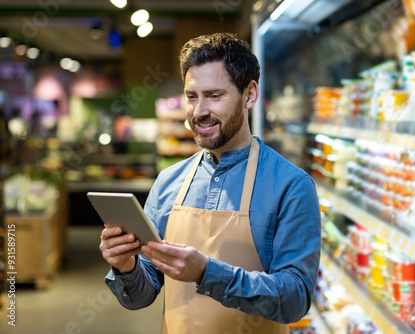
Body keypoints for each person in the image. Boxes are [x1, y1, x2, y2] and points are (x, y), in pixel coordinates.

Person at [99, 32, 321, 333]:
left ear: (250, 95)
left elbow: (296, 299)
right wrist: (126, 266)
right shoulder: (168, 182)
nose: (199, 112)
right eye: (192, 96)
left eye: (214, 96)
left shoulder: (290, 186)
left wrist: (207, 273)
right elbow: (142, 295)